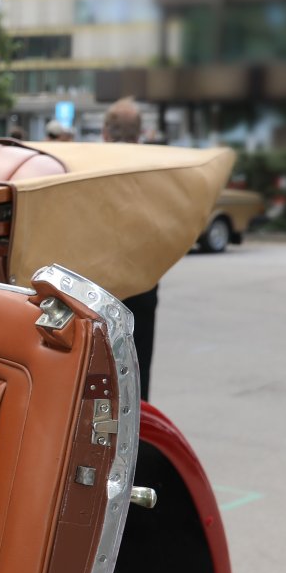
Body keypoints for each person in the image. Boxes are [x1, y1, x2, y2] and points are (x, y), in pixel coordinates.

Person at [102, 97, 158, 400]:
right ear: (140, 134)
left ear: (104, 133)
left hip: (98, 285)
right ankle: (139, 420)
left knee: (99, 370)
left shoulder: (88, 167)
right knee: (138, 366)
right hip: (143, 281)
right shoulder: (155, 169)